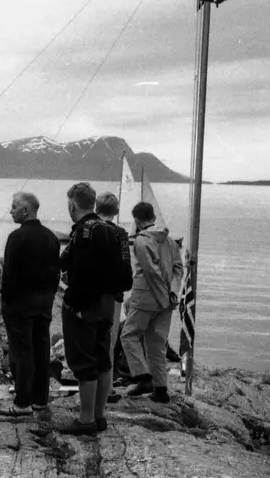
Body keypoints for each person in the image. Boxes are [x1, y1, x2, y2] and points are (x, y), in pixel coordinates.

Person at [45, 182, 118, 436]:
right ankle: (99, 416)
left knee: (84, 362)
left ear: (72, 204)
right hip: (106, 305)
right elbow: (121, 273)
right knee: (103, 360)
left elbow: (83, 271)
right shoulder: (111, 230)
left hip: (85, 308)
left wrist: (73, 303)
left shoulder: (84, 231)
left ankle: (85, 419)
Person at [0, 192, 61, 420]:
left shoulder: (17, 237)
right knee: (42, 350)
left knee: (22, 352)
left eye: (14, 207)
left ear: (25, 210)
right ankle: (40, 400)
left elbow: (10, 277)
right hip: (44, 304)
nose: (11, 210)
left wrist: (5, 303)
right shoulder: (51, 238)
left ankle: (23, 401)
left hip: (20, 305)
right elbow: (56, 273)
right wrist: (50, 296)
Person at [121, 201, 184, 403]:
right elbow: (178, 269)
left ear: (137, 221)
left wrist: (162, 297)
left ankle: (142, 376)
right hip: (167, 300)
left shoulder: (141, 241)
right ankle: (161, 389)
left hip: (147, 297)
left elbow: (150, 272)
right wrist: (173, 293)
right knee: (156, 344)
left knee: (129, 335)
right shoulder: (171, 241)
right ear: (154, 218)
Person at [95, 191, 129, 403]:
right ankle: (106, 389)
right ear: (116, 211)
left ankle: (90, 388)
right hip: (113, 295)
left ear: (97, 209)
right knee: (109, 340)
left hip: (91, 294)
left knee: (90, 341)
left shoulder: (87, 228)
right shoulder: (121, 234)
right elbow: (125, 267)